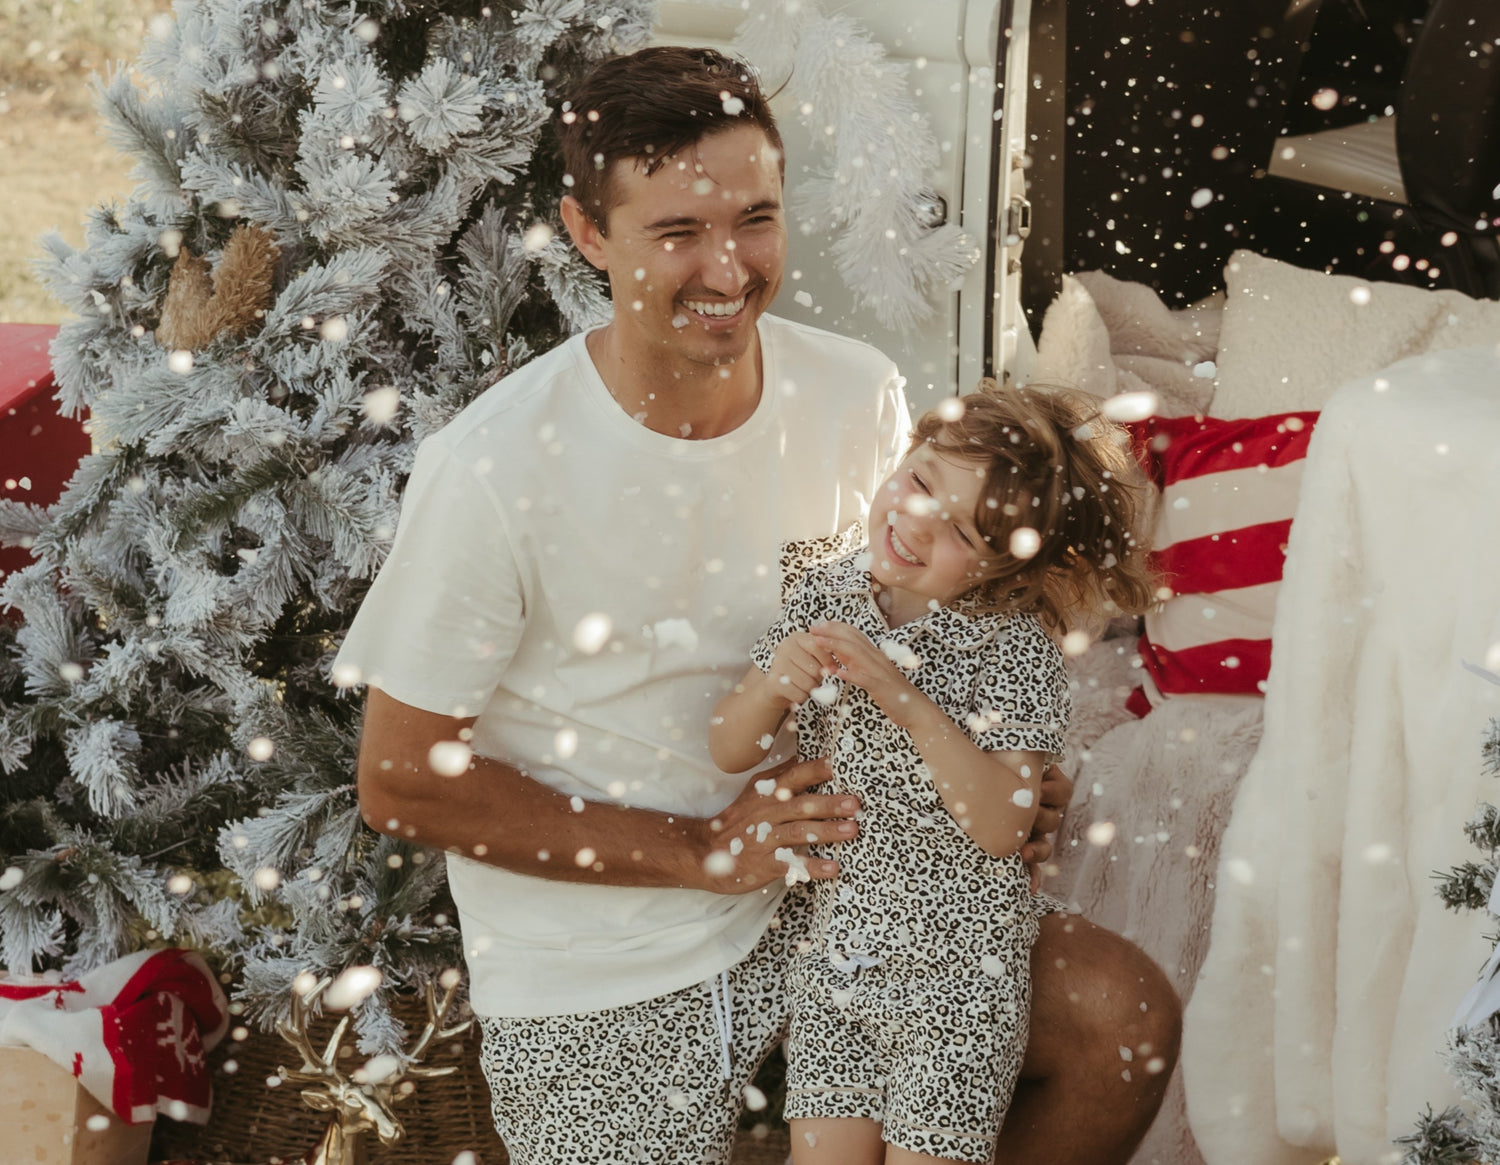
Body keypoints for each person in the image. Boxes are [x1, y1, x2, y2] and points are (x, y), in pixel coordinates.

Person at [342, 44, 1180, 1165]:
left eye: (754, 218)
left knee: (1116, 1019)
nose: (728, 268)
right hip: (604, 960)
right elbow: (400, 778)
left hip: (850, 896)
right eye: (676, 233)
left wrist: (996, 768)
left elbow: (918, 622)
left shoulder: (854, 392)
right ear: (587, 233)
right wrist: (699, 848)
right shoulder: (493, 468)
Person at [709, 387, 1158, 1164]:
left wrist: (900, 693)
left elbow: (1000, 825)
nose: (915, 522)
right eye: (919, 483)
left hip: (960, 985)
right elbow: (728, 746)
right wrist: (773, 681)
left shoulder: (1015, 652)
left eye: (957, 528)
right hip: (840, 963)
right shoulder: (826, 592)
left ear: (1003, 562)